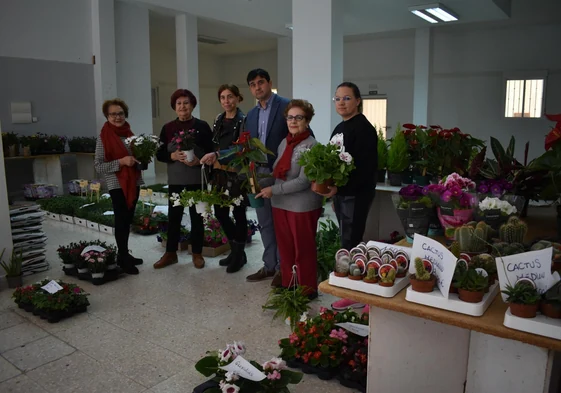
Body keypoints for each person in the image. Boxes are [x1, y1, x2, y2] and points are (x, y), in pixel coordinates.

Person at [318, 82, 378, 311]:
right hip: (343, 195)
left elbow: (365, 169)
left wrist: (339, 190)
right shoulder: (340, 128)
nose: (341, 103)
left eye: (346, 98)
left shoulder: (363, 129)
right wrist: (335, 193)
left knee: (351, 243)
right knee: (347, 243)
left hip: (357, 194)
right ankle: (353, 290)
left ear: (358, 100)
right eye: (337, 99)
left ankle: (357, 295)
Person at [256, 99, 323, 299]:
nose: (293, 121)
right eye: (290, 117)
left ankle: (307, 288)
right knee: (285, 247)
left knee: (303, 248)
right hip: (280, 205)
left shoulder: (311, 145)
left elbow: (303, 181)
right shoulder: (285, 142)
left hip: (302, 206)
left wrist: (273, 190)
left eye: (298, 117)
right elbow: (278, 173)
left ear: (307, 120)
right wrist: (257, 181)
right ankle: (289, 282)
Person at [153, 89, 214, 270]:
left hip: (196, 179)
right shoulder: (168, 128)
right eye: (179, 103)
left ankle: (197, 253)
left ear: (192, 105)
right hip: (176, 181)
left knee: (197, 217)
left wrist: (198, 159)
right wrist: (172, 156)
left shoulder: (202, 126)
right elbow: (160, 153)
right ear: (174, 107)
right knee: (174, 217)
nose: (182, 107)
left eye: (186, 103)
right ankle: (170, 253)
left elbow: (211, 150)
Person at [243, 68, 290, 287]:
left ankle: (283, 268)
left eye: (261, 82)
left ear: (269, 82)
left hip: (281, 174)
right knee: (265, 223)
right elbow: (245, 145)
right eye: (253, 84)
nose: (257, 87)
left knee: (281, 223)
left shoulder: (286, 106)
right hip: (258, 173)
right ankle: (269, 265)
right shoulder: (250, 115)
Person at [200, 84, 248, 273]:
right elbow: (214, 144)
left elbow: (243, 148)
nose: (226, 101)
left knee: (238, 213)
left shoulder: (243, 120)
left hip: (236, 173)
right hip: (219, 173)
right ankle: (237, 251)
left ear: (237, 98)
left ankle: (238, 254)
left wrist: (219, 155)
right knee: (220, 213)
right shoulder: (218, 119)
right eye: (223, 97)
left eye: (230, 97)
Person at [94, 98, 143, 275]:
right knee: (121, 221)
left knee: (128, 220)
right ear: (107, 116)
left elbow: (135, 156)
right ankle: (122, 258)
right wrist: (121, 162)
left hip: (133, 182)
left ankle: (125, 254)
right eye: (113, 114)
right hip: (117, 185)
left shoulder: (129, 133)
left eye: (120, 113)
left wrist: (141, 158)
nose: (117, 117)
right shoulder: (104, 137)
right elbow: (98, 165)